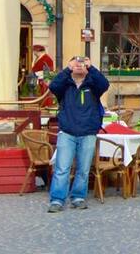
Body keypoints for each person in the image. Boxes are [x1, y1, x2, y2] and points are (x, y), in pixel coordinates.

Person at [45, 56, 108, 213]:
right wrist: (67, 69)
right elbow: (53, 86)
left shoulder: (93, 85)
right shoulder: (64, 86)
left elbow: (105, 84)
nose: (79, 66)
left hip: (87, 132)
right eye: (76, 63)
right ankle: (57, 200)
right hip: (67, 132)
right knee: (62, 168)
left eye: (82, 64)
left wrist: (91, 68)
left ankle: (78, 197)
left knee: (83, 169)